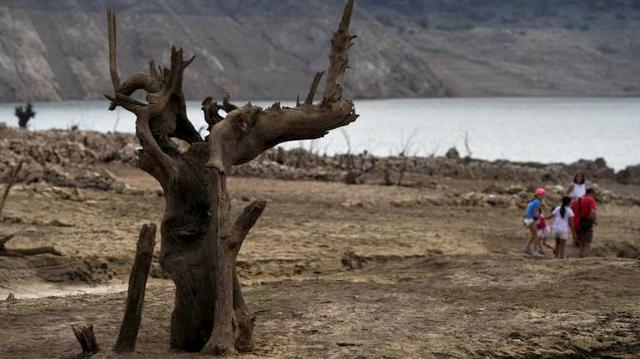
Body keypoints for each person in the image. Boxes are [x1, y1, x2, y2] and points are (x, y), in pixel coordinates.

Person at [571, 188, 597, 257]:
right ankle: (585, 258)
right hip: (586, 224)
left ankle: (580, 257)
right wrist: (594, 221)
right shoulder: (591, 200)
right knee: (587, 243)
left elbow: (571, 212)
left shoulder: (576, 200)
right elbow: (593, 212)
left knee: (582, 243)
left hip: (576, 224)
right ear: (591, 193)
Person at [523, 188, 546, 258]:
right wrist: (538, 219)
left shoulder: (532, 201)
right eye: (541, 195)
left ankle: (526, 248)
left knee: (533, 235)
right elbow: (535, 213)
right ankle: (535, 251)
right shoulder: (537, 202)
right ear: (538, 195)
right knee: (536, 236)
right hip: (531, 219)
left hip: (527, 219)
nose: (542, 196)